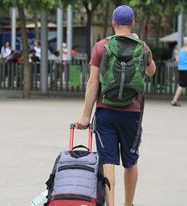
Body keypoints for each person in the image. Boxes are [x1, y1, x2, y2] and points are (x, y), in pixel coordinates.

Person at [75, 5, 156, 206]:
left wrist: (85, 116)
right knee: (131, 162)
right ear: (132, 24)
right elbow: (151, 72)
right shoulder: (143, 47)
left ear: (113, 23)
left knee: (108, 162)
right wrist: (144, 52)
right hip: (132, 114)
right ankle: (128, 204)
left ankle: (110, 204)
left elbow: (93, 83)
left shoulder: (100, 47)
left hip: (105, 113)